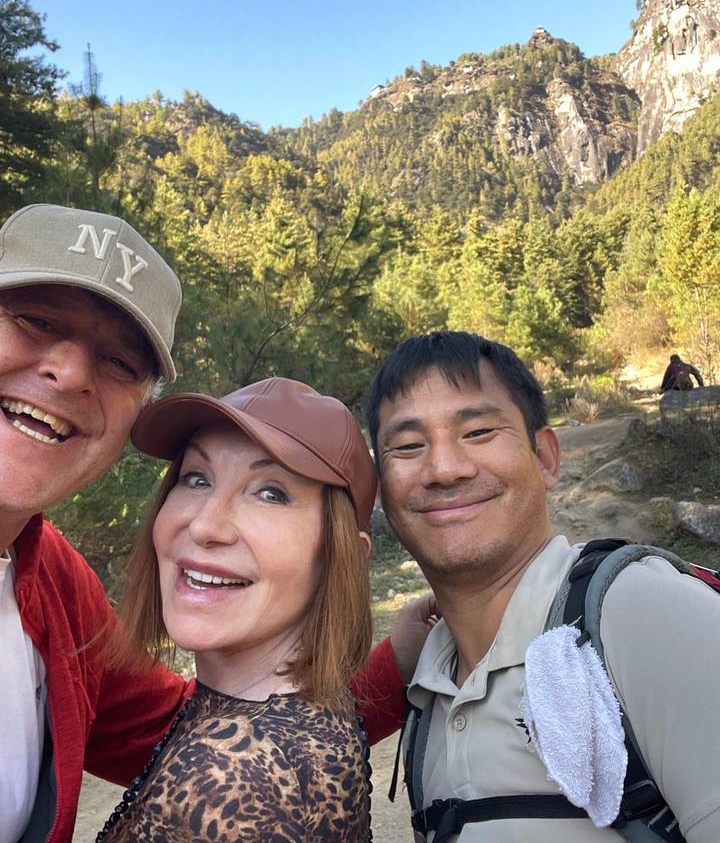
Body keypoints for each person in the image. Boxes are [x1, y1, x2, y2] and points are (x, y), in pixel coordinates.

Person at [0, 203, 413, 843]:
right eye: (33, 319)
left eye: (119, 361)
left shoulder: (53, 584)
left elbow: (197, 725)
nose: (71, 371)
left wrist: (405, 659)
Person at [365, 330, 720, 842]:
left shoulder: (638, 614)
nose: (443, 468)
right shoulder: (429, 689)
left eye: (479, 431)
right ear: (382, 489)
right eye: (407, 446)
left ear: (547, 458)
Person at [96, 377, 379, 840]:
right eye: (196, 478)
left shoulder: (231, 768)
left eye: (270, 492)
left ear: (339, 555)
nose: (206, 523)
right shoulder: (303, 715)